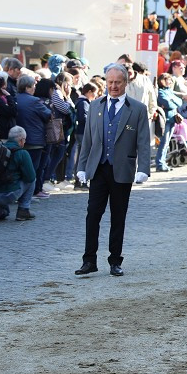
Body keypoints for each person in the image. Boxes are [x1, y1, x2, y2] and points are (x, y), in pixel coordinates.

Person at [74, 64, 151, 277]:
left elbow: (143, 141)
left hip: (122, 170)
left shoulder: (137, 109)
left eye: (118, 82)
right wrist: (81, 167)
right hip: (98, 169)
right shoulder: (96, 106)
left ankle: (115, 260)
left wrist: (143, 168)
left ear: (125, 82)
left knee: (118, 217)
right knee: (92, 216)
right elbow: (87, 142)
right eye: (110, 82)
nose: (113, 86)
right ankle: (89, 260)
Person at [0, 125, 37, 222]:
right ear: (22, 140)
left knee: (5, 212)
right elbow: (30, 177)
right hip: (8, 194)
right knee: (32, 180)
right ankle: (23, 210)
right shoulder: (22, 153)